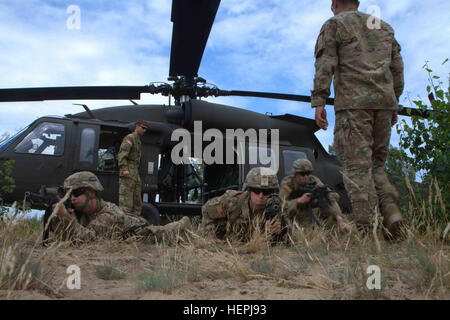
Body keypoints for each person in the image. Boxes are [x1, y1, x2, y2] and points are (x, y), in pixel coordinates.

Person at [311, 0, 404, 237]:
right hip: (384, 103)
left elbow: (325, 63)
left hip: (353, 106)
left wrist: (319, 101)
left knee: (357, 168)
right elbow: (397, 70)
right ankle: (391, 211)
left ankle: (367, 231)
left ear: (334, 3)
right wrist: (393, 103)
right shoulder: (384, 27)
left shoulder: (334, 24)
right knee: (376, 165)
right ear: (357, 2)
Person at [48, 171, 191, 244]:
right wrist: (58, 218)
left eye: (76, 193)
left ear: (91, 193)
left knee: (166, 234)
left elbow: (89, 240)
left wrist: (66, 218)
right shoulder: (82, 212)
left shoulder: (109, 214)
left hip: (139, 232)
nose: (71, 198)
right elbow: (68, 238)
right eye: (68, 194)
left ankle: (184, 223)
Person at [200, 167, 283, 243]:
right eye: (256, 190)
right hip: (223, 240)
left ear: (273, 193)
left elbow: (285, 240)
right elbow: (207, 209)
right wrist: (209, 236)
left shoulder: (276, 208)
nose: (261, 196)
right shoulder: (232, 202)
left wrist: (276, 233)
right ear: (249, 190)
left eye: (266, 192)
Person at [280, 159, 353, 232]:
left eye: (308, 173)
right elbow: (281, 206)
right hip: (294, 217)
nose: (306, 176)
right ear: (295, 174)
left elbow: (330, 196)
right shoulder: (288, 183)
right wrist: (298, 201)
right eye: (302, 174)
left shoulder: (313, 180)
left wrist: (340, 219)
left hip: (312, 216)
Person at [118, 120, 148, 216]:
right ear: (137, 126)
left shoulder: (138, 140)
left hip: (135, 173)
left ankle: (134, 224)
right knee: (126, 203)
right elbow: (122, 155)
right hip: (128, 172)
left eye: (145, 129)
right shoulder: (130, 138)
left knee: (137, 202)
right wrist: (124, 170)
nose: (144, 130)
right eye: (143, 128)